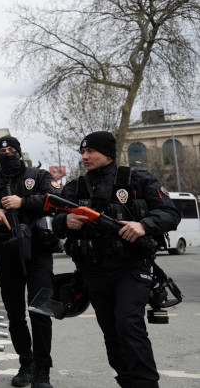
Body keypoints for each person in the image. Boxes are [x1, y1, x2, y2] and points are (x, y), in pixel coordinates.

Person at [53, 131, 180, 388]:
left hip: (132, 267)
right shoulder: (74, 187)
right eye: (83, 152)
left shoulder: (137, 179)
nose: (85, 157)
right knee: (112, 332)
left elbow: (170, 213)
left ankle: (146, 385)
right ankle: (128, 382)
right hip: (93, 271)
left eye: (91, 152)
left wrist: (143, 225)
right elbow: (53, 222)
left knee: (128, 324)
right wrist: (64, 221)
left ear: (107, 153)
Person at [0, 136, 61, 388]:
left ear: (19, 151)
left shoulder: (37, 176)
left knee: (39, 312)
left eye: (11, 149)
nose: (7, 153)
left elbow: (57, 199)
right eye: (2, 150)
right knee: (15, 316)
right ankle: (25, 363)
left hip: (38, 253)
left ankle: (42, 370)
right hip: (6, 255)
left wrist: (23, 202)